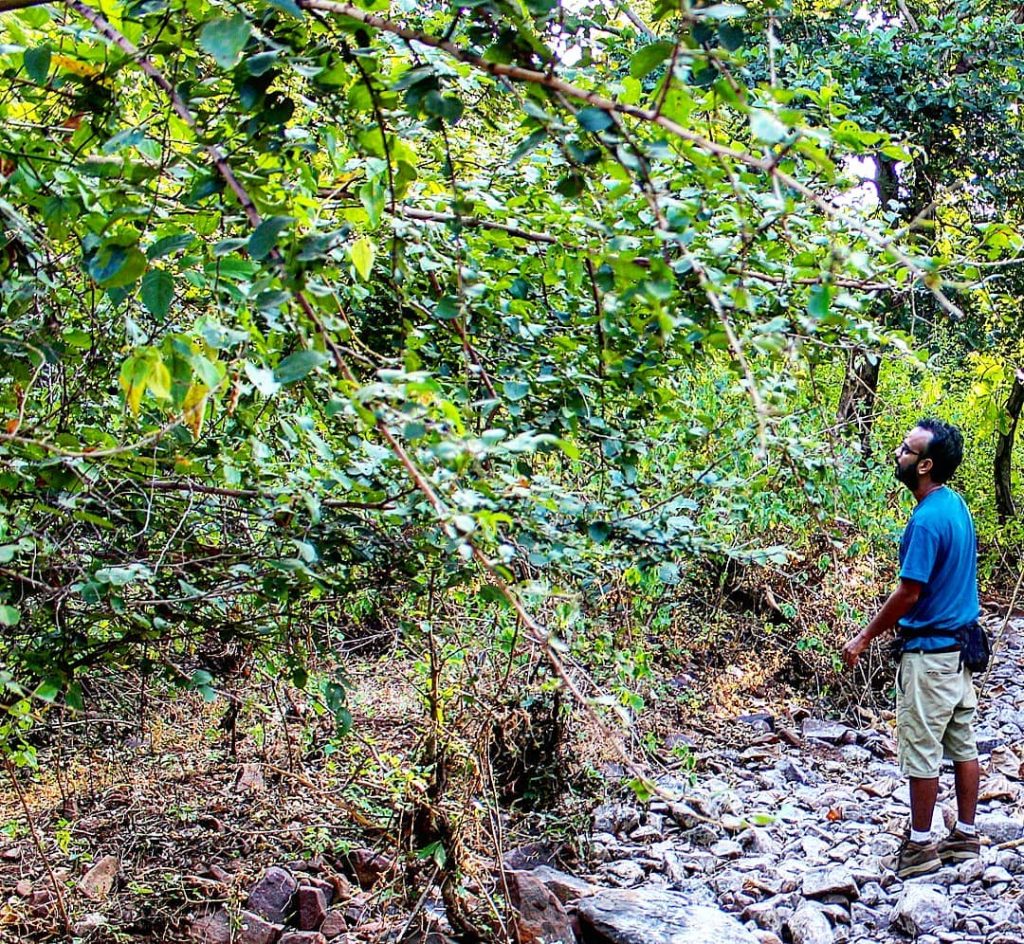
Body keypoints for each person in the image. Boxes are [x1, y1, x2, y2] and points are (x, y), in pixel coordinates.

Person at [842, 418, 981, 879]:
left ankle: (920, 847)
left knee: (922, 750)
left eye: (906, 449)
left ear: (925, 465)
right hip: (959, 654)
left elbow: (909, 594)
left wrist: (863, 637)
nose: (897, 452)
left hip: (930, 655)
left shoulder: (924, 521)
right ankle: (964, 836)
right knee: (962, 744)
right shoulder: (955, 506)